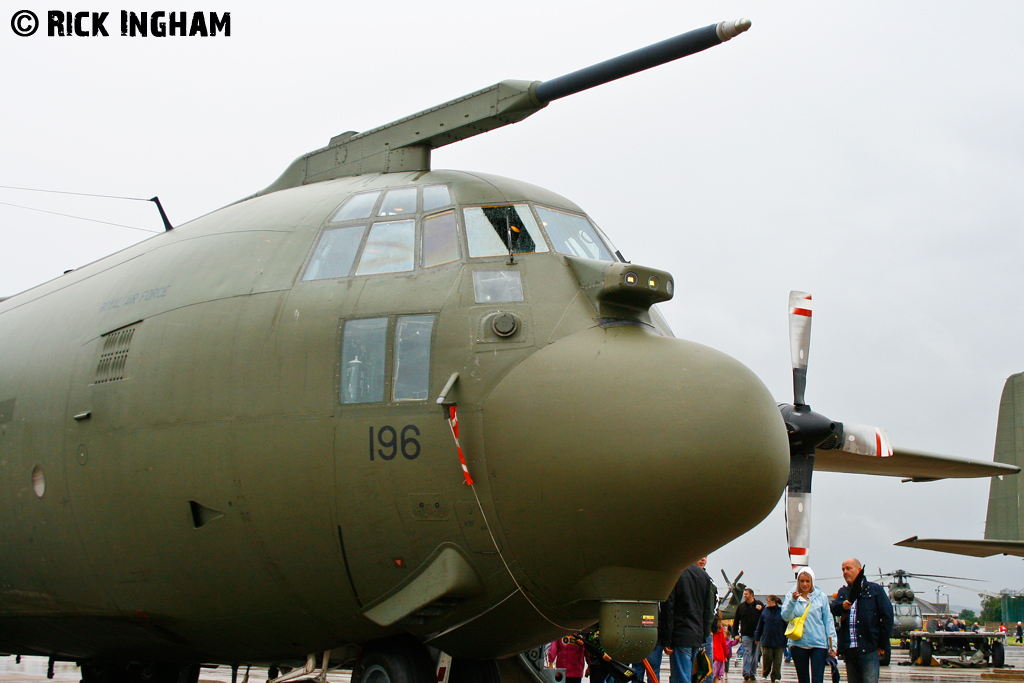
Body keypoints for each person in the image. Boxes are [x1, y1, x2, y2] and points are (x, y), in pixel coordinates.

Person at [830, 558, 893, 683]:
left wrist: (882, 644)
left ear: (859, 570)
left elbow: (887, 617)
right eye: (843, 569)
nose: (845, 572)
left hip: (869, 648)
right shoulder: (843, 592)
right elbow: (833, 608)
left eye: (849, 568)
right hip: (849, 649)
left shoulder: (875, 590)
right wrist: (843, 606)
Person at [782, 567, 837, 683]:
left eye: (808, 581)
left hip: (818, 643)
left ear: (812, 581)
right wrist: (793, 601)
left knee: (817, 679)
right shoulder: (791, 595)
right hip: (798, 643)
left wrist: (833, 645)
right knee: (803, 679)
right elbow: (785, 616)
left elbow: (828, 621)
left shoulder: (821, 597)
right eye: (802, 581)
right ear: (798, 582)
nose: (805, 584)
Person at [665, 559, 716, 683]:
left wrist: (667, 638)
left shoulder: (676, 573)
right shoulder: (704, 575)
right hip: (697, 634)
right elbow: (709, 609)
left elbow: (669, 608)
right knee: (689, 675)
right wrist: (704, 634)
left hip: (680, 633)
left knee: (681, 676)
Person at [754, 595, 787, 683]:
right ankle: (765, 674)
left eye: (769, 601)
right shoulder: (765, 612)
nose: (767, 603)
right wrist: (757, 637)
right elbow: (760, 625)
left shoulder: (781, 612)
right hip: (766, 639)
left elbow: (786, 626)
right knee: (767, 658)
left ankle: (776, 676)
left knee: (777, 660)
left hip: (779, 640)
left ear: (774, 602)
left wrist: (786, 638)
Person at [733, 588, 764, 681]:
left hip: (757, 634)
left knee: (755, 654)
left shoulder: (759, 604)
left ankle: (752, 673)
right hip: (746, 634)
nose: (744, 596)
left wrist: (761, 609)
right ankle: (746, 672)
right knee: (747, 652)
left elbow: (765, 616)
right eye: (744, 594)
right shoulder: (741, 606)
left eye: (746, 594)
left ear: (752, 595)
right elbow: (736, 620)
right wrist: (735, 634)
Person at [712, 618, 730, 683]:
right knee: (716, 677)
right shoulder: (720, 630)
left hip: (711, 654)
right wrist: (725, 656)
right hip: (719, 655)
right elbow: (724, 644)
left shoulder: (709, 629)